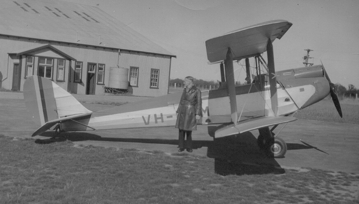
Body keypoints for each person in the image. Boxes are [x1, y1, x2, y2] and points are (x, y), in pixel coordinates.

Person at [175, 76, 202, 152]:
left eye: (185, 81)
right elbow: (181, 100)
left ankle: (189, 147)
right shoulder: (184, 90)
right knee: (181, 130)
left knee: (189, 130)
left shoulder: (197, 91)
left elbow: (199, 103)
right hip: (183, 110)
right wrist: (178, 110)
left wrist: (197, 114)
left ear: (190, 82)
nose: (184, 82)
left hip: (191, 111)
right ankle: (181, 146)